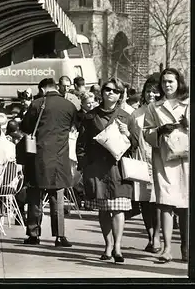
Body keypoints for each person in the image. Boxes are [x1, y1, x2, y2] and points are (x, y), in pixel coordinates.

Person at [76, 78, 137, 263]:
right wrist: (85, 164)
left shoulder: (126, 116)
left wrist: (127, 133)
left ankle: (118, 247)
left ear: (120, 95)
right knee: (104, 210)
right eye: (108, 90)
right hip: (98, 169)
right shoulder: (90, 116)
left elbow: (135, 146)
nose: (111, 93)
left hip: (118, 169)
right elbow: (81, 144)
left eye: (115, 91)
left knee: (118, 209)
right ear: (101, 92)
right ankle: (108, 245)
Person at [21, 78, 77, 248]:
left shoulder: (37, 104)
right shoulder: (69, 106)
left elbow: (26, 127)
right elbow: (74, 126)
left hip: (37, 156)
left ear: (43, 89)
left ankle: (33, 234)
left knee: (34, 197)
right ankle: (60, 236)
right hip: (59, 158)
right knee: (57, 197)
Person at [143, 68, 189, 263]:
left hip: (185, 159)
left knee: (185, 205)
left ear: (179, 82)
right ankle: (167, 248)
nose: (167, 85)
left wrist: (188, 124)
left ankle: (186, 248)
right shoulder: (154, 107)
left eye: (170, 81)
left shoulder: (188, 104)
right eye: (164, 82)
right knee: (165, 204)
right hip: (163, 158)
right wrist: (159, 130)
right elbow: (146, 132)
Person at [130, 73, 162, 254]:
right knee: (145, 202)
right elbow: (133, 139)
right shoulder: (136, 114)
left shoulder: (162, 111)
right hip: (141, 161)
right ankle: (150, 235)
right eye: (149, 91)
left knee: (157, 201)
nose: (151, 94)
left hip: (159, 161)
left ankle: (157, 236)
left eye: (155, 91)